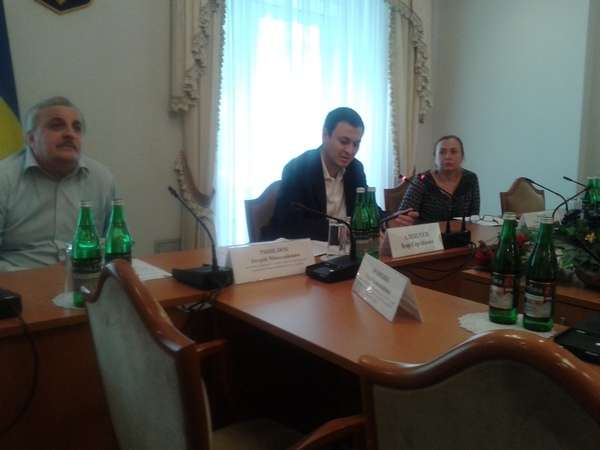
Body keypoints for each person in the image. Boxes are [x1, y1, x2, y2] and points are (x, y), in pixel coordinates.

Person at [266, 107, 416, 241]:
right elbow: (289, 224)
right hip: (309, 251)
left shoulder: (355, 169)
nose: (350, 151)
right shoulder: (298, 169)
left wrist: (389, 220)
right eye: (344, 141)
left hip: (346, 250)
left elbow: (368, 210)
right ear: (325, 135)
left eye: (356, 144)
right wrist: (342, 231)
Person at [0, 96, 116, 271]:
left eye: (76, 128)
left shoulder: (101, 178)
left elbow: (114, 244)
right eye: (56, 126)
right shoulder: (4, 178)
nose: (70, 134)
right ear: (31, 139)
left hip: (86, 278)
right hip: (20, 280)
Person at [397, 135, 480, 223]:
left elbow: (474, 216)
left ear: (462, 156)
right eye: (442, 152)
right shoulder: (422, 180)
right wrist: (408, 219)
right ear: (435, 158)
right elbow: (403, 216)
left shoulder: (471, 179)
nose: (448, 156)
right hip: (427, 231)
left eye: (453, 151)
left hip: (463, 231)